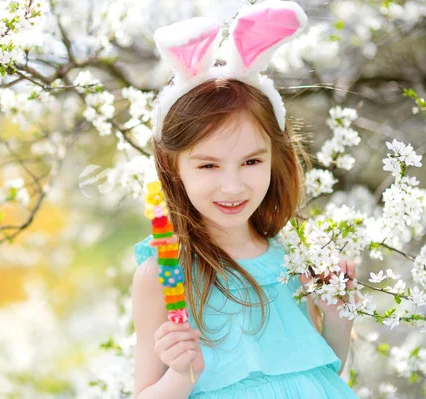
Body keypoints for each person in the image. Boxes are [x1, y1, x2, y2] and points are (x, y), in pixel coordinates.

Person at [131, 1, 360, 398]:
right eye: (208, 166)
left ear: (277, 155)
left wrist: (338, 320)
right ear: (173, 167)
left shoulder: (293, 258)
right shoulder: (163, 276)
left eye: (251, 161)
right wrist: (178, 376)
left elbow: (321, 377)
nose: (233, 187)